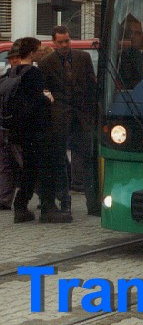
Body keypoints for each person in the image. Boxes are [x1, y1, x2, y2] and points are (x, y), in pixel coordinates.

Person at [38, 26, 98, 216]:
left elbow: (92, 85)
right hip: (60, 117)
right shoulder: (46, 62)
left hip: (82, 115)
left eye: (67, 41)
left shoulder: (83, 57)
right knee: (60, 160)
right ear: (54, 42)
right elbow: (44, 90)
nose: (64, 45)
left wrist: (91, 112)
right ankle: (65, 202)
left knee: (87, 158)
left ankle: (93, 204)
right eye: (61, 42)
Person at [11, 37, 71, 223]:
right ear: (31, 53)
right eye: (37, 50)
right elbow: (36, 101)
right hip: (38, 130)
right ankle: (48, 208)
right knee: (47, 167)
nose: (40, 53)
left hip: (21, 130)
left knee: (29, 169)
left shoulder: (14, 71)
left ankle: (20, 206)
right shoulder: (34, 73)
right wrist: (48, 99)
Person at [0, 40, 22, 210]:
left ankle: (46, 197)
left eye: (17, 57)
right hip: (4, 126)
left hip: (18, 127)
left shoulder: (27, 78)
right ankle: (4, 199)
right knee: (6, 165)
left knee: (24, 163)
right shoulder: (4, 79)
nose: (14, 60)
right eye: (12, 58)